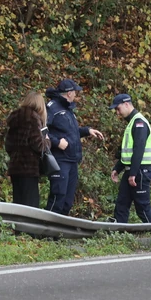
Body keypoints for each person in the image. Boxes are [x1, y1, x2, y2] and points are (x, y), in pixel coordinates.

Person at [44, 78, 105, 216]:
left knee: (68, 200)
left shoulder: (68, 109)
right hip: (60, 160)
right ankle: (46, 226)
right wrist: (57, 142)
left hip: (72, 160)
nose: (76, 95)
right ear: (69, 93)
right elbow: (41, 131)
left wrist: (87, 131)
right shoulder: (52, 108)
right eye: (75, 92)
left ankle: (61, 228)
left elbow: (71, 132)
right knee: (58, 196)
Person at [109, 93, 151, 223]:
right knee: (122, 203)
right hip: (131, 170)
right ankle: (118, 230)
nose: (117, 113)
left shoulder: (139, 123)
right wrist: (117, 169)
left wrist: (133, 174)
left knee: (142, 207)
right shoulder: (132, 123)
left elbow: (138, 150)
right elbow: (128, 153)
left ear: (126, 104)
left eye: (118, 109)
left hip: (140, 171)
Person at [5, 91, 51, 208]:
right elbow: (38, 145)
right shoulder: (33, 118)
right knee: (31, 205)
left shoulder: (15, 118)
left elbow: (8, 145)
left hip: (15, 167)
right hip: (29, 168)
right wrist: (47, 141)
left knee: (18, 204)